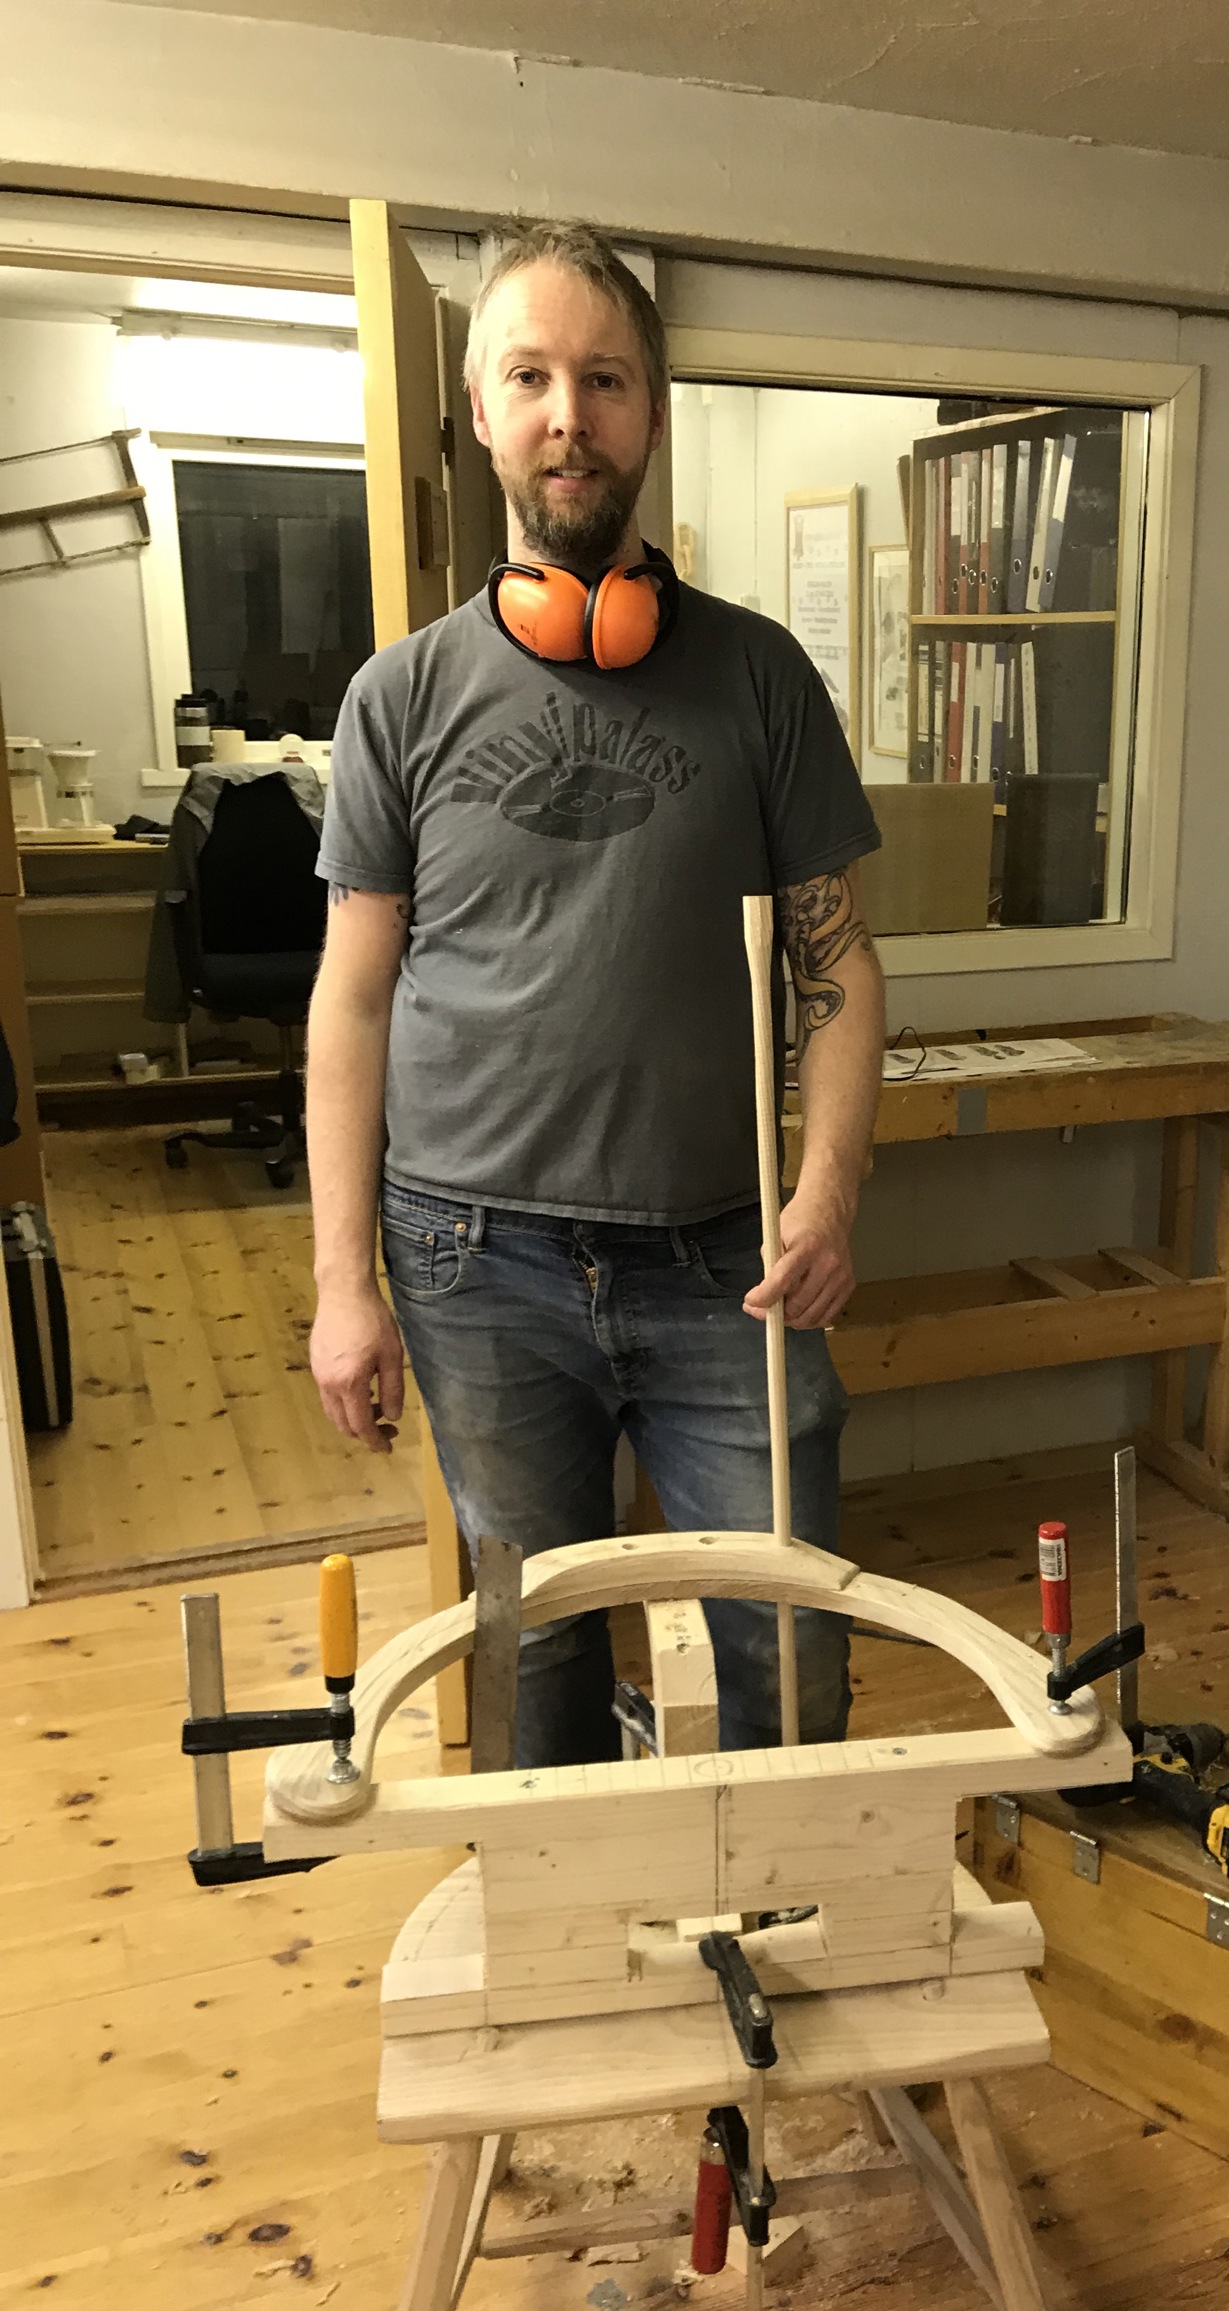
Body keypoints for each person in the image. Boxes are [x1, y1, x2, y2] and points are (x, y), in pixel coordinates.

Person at [306, 222, 885, 1763]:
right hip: (472, 1261)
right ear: (482, 414)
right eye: (532, 377)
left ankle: (784, 1894)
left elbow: (837, 960)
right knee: (533, 1653)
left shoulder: (761, 680)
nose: (571, 415)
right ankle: (557, 1912)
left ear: (651, 411)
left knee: (789, 1648)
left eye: (607, 379)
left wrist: (828, 1193)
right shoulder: (399, 699)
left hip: (728, 1265)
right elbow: (351, 1002)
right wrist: (345, 1282)